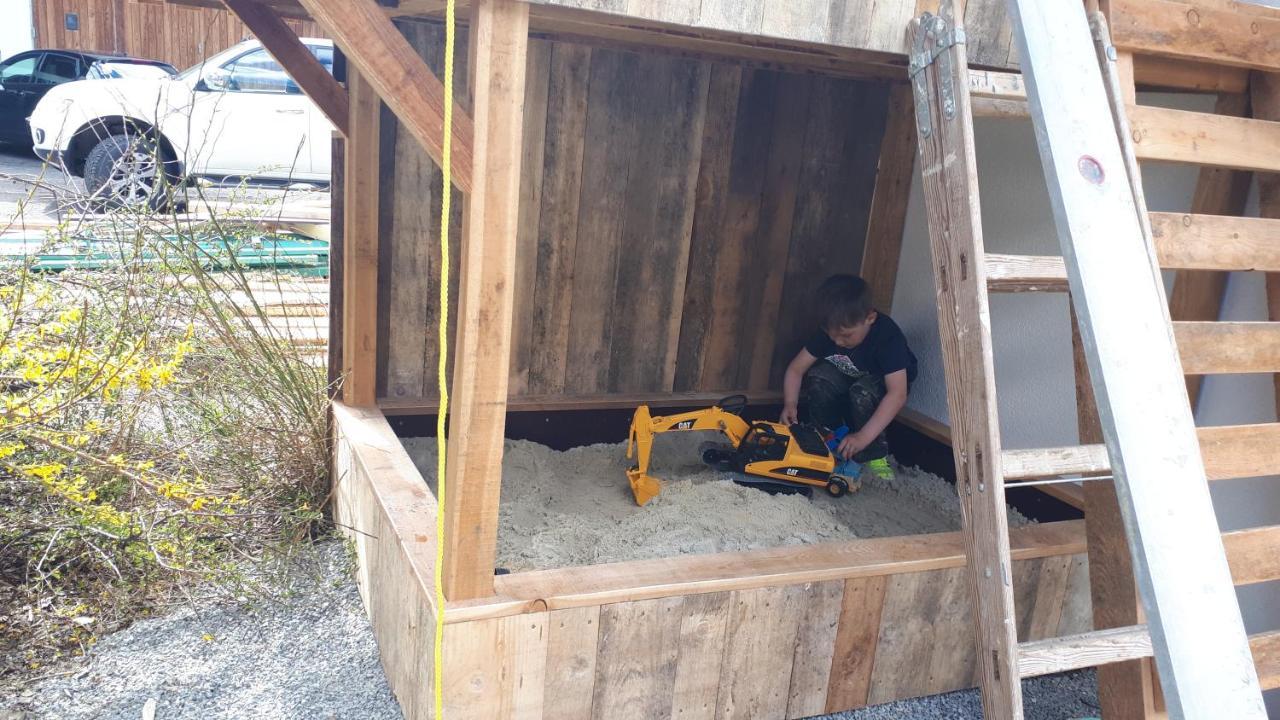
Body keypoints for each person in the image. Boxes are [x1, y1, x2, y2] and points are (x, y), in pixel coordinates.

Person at [779, 274, 918, 481]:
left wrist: (862, 438)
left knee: (862, 392)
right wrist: (790, 403)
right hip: (849, 373)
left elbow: (897, 394)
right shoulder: (832, 333)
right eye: (833, 335)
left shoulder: (887, 337)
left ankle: (872, 454)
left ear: (870, 318)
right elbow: (796, 369)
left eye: (846, 335)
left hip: (881, 385)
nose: (838, 341)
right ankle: (828, 439)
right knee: (819, 377)